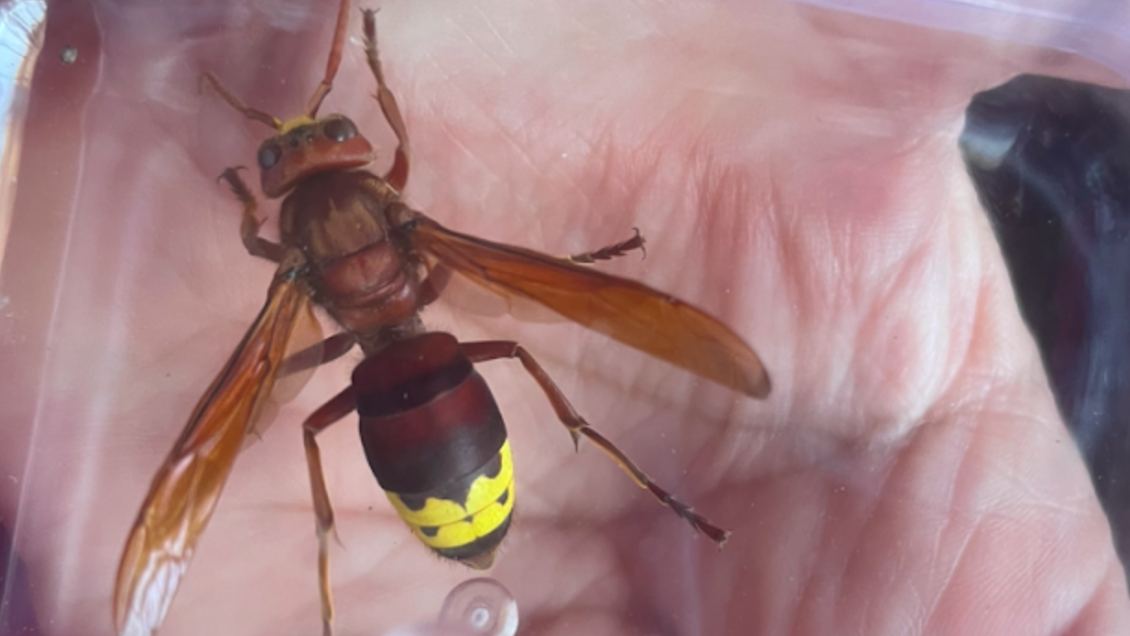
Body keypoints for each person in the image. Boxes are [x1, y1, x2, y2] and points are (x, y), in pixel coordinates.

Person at [3, 0, 1127, 634]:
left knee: (307, 416)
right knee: (511, 323)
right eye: (299, 149)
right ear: (368, 172)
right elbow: (543, 279)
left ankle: (337, 576)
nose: (307, 139)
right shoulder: (411, 219)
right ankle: (595, 451)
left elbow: (272, 246)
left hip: (407, 399)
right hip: (433, 390)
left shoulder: (287, 271)